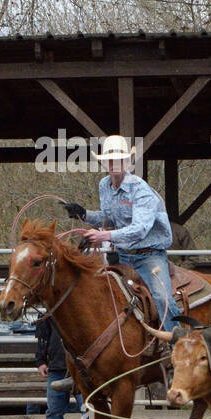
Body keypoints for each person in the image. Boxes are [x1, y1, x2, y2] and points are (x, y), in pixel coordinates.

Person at [63, 134, 178, 332]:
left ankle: (177, 343)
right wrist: (84, 213)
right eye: (110, 159)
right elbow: (109, 219)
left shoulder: (140, 190)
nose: (114, 163)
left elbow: (140, 229)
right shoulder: (104, 186)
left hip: (149, 255)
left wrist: (104, 236)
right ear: (104, 163)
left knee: (162, 297)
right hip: (123, 255)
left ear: (127, 162)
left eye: (119, 159)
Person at [35, 318, 100, 419]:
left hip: (77, 367)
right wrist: (40, 360)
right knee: (58, 409)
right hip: (67, 365)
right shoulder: (52, 313)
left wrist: (41, 360)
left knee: (85, 406)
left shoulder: (54, 311)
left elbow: (42, 335)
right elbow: (43, 335)